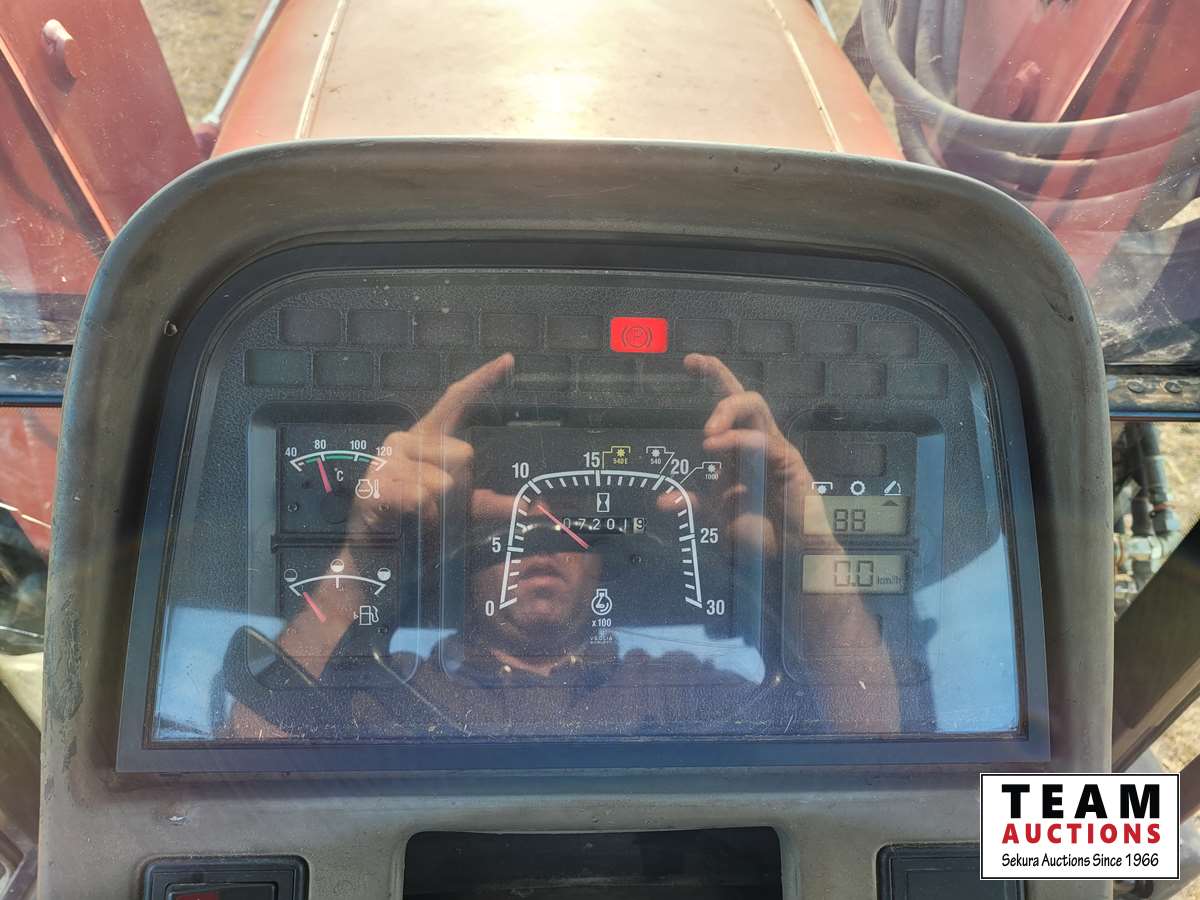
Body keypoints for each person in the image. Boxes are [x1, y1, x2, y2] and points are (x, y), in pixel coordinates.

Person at [226, 352, 899, 739]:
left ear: (605, 561)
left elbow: (869, 736)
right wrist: (364, 555)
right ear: (460, 557)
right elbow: (253, 760)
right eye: (509, 526)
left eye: (572, 526)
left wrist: (814, 549)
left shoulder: (677, 686)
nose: (541, 544)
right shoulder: (388, 684)